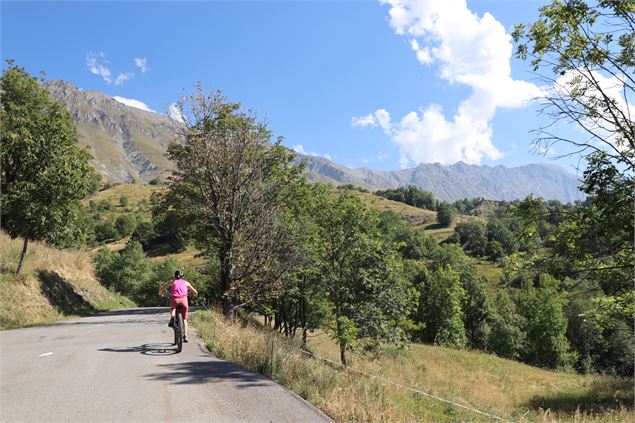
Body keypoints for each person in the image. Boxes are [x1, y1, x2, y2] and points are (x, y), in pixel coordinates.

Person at [159, 270, 198, 342]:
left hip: (175, 300)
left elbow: (162, 289)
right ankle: (185, 336)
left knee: (173, 308)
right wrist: (194, 296)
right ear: (183, 277)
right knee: (184, 319)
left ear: (175, 276)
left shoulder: (172, 282)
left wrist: (161, 294)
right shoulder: (186, 283)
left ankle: (172, 318)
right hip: (184, 300)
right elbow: (195, 292)